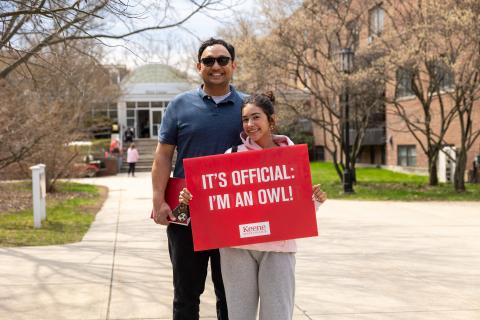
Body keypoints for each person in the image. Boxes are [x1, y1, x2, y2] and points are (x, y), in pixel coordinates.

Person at [179, 92, 327, 320]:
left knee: (278, 315)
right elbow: (216, 202)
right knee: (239, 316)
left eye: (256, 117)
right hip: (236, 249)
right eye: (245, 119)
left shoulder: (290, 156)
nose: (250, 125)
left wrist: (314, 200)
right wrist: (191, 199)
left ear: (271, 120)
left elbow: (296, 208)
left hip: (278, 249)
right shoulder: (232, 155)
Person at [151, 38, 244, 320]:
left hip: (232, 215)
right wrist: (158, 201)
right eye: (209, 61)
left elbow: (266, 154)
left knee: (230, 296)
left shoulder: (248, 107)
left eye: (223, 60)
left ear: (233, 65)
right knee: (186, 296)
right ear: (198, 66)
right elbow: (164, 155)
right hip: (186, 214)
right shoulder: (179, 105)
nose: (216, 66)